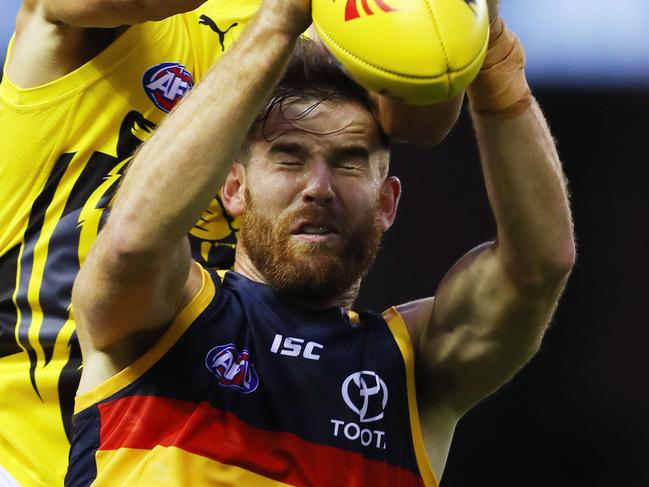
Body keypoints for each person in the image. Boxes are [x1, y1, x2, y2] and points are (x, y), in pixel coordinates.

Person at [65, 0, 575, 485]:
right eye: (289, 158)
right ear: (234, 188)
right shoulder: (161, 323)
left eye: (348, 161)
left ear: (387, 204)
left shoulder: (414, 372)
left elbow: (538, 269)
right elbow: (131, 242)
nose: (318, 188)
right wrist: (278, 23)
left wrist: (497, 64)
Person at [0, 1, 466, 484]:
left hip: (174, 451)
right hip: (20, 455)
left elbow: (422, 116)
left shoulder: (323, 29)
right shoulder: (87, 24)